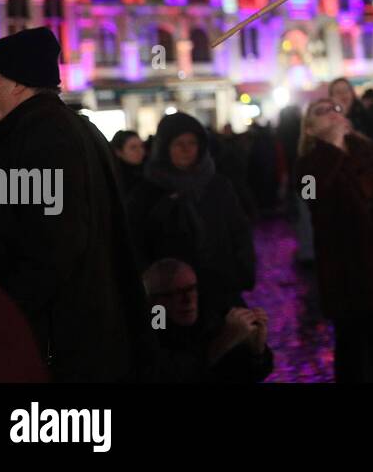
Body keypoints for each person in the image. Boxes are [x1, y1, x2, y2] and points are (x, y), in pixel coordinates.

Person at [0, 28, 152, 380]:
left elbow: (52, 247)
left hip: (55, 347)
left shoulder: (43, 138)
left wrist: (0, 318)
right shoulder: (62, 130)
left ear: (17, 83)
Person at [296, 97, 373, 382]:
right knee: (351, 353)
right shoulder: (308, 164)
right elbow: (311, 198)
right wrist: (333, 149)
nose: (333, 113)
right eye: (321, 111)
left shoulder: (369, 149)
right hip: (343, 271)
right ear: (309, 129)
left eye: (336, 109)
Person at [127, 112, 257, 323]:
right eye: (179, 143)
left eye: (192, 142)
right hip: (169, 297)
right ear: (164, 147)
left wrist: (242, 272)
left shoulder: (218, 186)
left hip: (219, 288)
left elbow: (239, 230)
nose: (187, 149)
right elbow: (135, 242)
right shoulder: (146, 193)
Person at [142, 258, 273, 383]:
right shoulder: (153, 328)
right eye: (175, 293)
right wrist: (225, 340)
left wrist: (257, 350)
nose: (187, 300)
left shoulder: (216, 315)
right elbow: (169, 374)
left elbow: (249, 374)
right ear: (154, 302)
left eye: (191, 289)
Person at [110, 129, 146, 198]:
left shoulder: (147, 172)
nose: (140, 151)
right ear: (118, 152)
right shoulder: (115, 179)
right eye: (133, 147)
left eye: (142, 146)